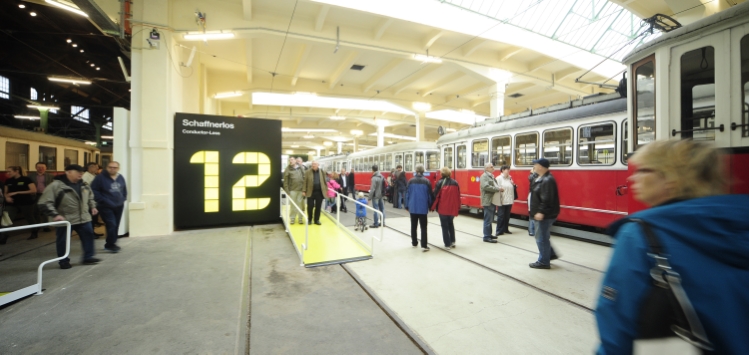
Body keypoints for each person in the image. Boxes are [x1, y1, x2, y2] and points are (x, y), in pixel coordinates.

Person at [595, 140, 749, 355]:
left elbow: (618, 328)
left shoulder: (640, 234)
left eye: (643, 170)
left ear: (671, 179)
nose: (632, 177)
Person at [38, 164, 99, 269]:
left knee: (88, 237)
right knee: (63, 241)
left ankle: (88, 257)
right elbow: (44, 202)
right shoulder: (56, 185)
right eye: (77, 171)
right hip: (65, 219)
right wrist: (55, 215)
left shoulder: (84, 184)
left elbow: (90, 197)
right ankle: (63, 261)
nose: (80, 173)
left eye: (81, 172)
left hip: (84, 218)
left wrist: (93, 206)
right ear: (68, 172)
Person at [528, 158, 559, 269]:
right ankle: (549, 254)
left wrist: (541, 212)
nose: (533, 167)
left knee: (541, 238)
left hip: (544, 214)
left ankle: (544, 262)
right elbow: (532, 184)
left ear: (540, 167)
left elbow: (547, 199)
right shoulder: (540, 178)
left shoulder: (547, 180)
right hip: (541, 213)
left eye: (535, 165)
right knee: (543, 236)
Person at [91, 161, 127, 253]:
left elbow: (124, 189)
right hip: (105, 206)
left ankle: (112, 243)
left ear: (118, 168)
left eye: (115, 167)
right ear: (107, 168)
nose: (112, 169)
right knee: (111, 224)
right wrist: (102, 200)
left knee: (116, 225)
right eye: (110, 167)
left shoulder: (120, 177)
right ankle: (109, 244)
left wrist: (123, 198)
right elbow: (94, 190)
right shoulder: (100, 178)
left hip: (119, 205)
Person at [4, 166, 40, 240]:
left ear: (16, 171)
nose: (8, 173)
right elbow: (5, 192)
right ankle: (4, 236)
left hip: (26, 203)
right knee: (8, 218)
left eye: (9, 171)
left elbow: (33, 190)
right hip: (12, 203)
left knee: (29, 217)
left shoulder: (26, 179)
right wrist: (7, 197)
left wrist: (17, 192)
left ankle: (34, 232)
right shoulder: (8, 181)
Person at [405, 164, 433, 251]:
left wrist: (406, 205)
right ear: (423, 171)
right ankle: (424, 245)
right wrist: (430, 205)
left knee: (413, 225)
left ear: (416, 171)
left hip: (412, 207)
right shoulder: (427, 181)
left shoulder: (410, 181)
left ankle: (414, 242)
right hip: (423, 208)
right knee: (423, 227)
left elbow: (407, 195)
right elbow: (429, 195)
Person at [432, 167, 460, 249]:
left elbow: (436, 196)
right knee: (451, 224)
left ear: (441, 174)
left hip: (443, 208)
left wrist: (432, 206)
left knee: (444, 226)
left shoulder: (440, 183)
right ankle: (452, 241)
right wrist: (458, 207)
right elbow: (458, 196)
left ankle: (447, 244)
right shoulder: (455, 183)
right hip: (452, 208)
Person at [27, 162, 54, 232]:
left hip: (46, 195)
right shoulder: (30, 176)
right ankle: (37, 225)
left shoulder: (50, 176)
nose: (41, 169)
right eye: (39, 167)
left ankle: (46, 226)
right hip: (35, 195)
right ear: (36, 168)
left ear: (46, 168)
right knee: (36, 211)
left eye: (42, 167)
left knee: (46, 211)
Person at [480, 163, 500, 243]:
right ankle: (486, 236)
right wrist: (497, 189)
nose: (493, 168)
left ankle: (489, 234)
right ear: (487, 168)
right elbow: (485, 186)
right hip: (488, 200)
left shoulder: (490, 175)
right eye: (491, 167)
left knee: (490, 218)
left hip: (492, 199)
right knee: (488, 219)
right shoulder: (484, 176)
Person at [302, 161, 327, 225]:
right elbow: (305, 182)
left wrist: (326, 190)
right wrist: (304, 190)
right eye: (312, 164)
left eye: (315, 164)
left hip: (319, 192)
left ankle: (317, 220)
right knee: (310, 206)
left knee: (318, 207)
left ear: (318, 165)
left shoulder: (322, 171)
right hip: (310, 192)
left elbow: (324, 181)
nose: (313, 165)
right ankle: (309, 219)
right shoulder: (307, 172)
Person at [493, 165, 515, 236]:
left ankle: (506, 229)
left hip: (509, 200)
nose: (508, 171)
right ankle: (499, 230)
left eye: (509, 169)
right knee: (501, 215)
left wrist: (513, 184)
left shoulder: (510, 178)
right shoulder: (498, 178)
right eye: (507, 169)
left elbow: (511, 188)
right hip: (502, 200)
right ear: (502, 170)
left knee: (507, 216)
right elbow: (496, 188)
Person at [283, 157, 305, 224]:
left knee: (300, 205)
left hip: (301, 189)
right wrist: (287, 191)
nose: (291, 161)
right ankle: (292, 218)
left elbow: (305, 177)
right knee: (293, 205)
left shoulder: (301, 168)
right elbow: (285, 181)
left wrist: (305, 189)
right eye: (289, 160)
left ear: (295, 161)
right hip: (292, 190)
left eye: (292, 160)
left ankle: (300, 218)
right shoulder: (288, 169)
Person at [527, 167, 538, 237]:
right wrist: (533, 172)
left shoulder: (533, 176)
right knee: (532, 212)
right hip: (532, 195)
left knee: (533, 212)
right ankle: (531, 230)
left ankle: (532, 230)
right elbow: (532, 178)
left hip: (534, 195)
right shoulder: (532, 176)